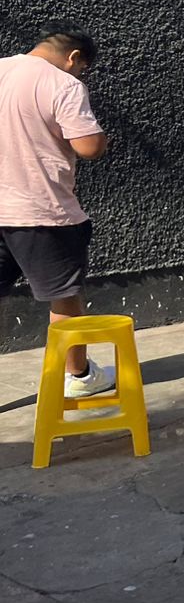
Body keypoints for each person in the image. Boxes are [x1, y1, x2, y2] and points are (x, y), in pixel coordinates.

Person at [0, 24, 112, 397]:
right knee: (64, 296)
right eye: (82, 69)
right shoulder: (63, 84)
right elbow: (88, 146)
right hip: (42, 211)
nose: (80, 75)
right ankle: (78, 377)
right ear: (74, 57)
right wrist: (101, 138)